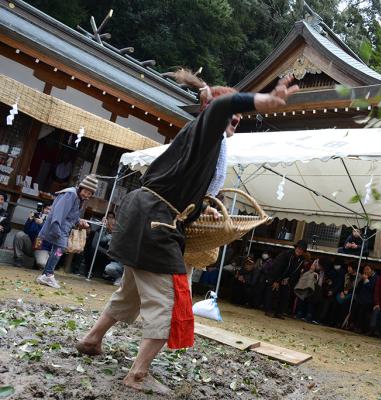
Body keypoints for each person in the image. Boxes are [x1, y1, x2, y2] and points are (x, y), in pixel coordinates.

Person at [75, 73, 299, 394]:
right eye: (232, 116)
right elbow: (223, 106)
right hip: (156, 219)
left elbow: (184, 186)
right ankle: (137, 374)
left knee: (132, 291)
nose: (235, 120)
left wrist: (198, 207)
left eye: (238, 118)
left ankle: (92, 339)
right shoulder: (208, 129)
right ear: (212, 109)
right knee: (171, 300)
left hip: (146, 213)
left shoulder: (201, 141)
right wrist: (263, 100)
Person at [36, 176, 96, 289]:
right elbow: (58, 212)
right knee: (59, 250)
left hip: (63, 228)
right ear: (81, 188)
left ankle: (45, 275)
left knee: (57, 251)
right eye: (86, 192)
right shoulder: (71, 194)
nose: (87, 195)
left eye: (90, 193)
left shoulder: (77, 197)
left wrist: (80, 221)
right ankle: (48, 274)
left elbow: (72, 215)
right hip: (58, 227)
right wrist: (56, 229)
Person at [264, 240, 307, 319]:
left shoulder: (301, 260)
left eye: (302, 249)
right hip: (276, 275)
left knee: (285, 294)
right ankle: (269, 310)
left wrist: (288, 279)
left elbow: (296, 272)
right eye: (298, 248)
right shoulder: (286, 254)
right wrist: (276, 280)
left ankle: (279, 312)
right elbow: (277, 268)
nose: (299, 250)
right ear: (295, 248)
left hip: (286, 279)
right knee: (274, 291)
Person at [13, 204, 51, 268]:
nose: (48, 211)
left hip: (42, 247)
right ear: (42, 209)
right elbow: (26, 231)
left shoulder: (53, 220)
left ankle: (37, 262)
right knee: (20, 234)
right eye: (47, 209)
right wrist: (29, 220)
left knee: (42, 264)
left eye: (50, 210)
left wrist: (41, 224)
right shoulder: (37, 216)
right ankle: (18, 258)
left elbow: (49, 235)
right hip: (31, 245)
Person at [351, 265, 377, 333]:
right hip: (361, 297)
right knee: (355, 305)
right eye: (364, 270)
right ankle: (353, 325)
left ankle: (360, 327)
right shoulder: (364, 277)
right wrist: (362, 280)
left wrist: (366, 280)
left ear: (372, 270)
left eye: (368, 269)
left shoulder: (375, 278)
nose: (365, 271)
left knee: (363, 308)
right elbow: (358, 288)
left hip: (370, 299)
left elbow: (371, 289)